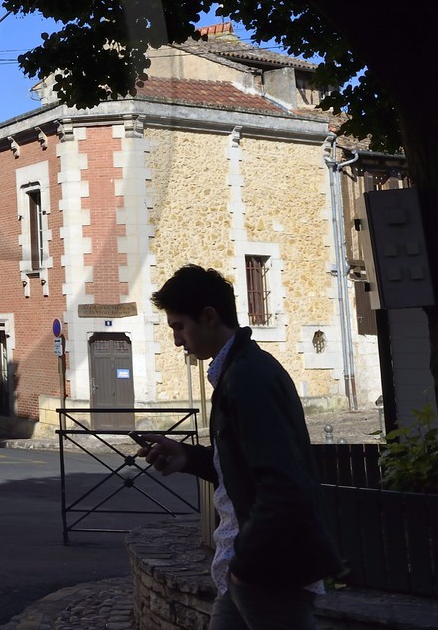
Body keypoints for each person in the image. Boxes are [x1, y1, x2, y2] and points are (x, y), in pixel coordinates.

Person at [139, 264, 343, 630]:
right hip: (255, 568)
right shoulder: (241, 370)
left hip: (269, 570)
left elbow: (283, 483)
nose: (177, 341)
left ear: (209, 317)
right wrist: (187, 458)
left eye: (179, 327)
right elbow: (245, 467)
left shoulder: (247, 378)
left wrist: (247, 566)